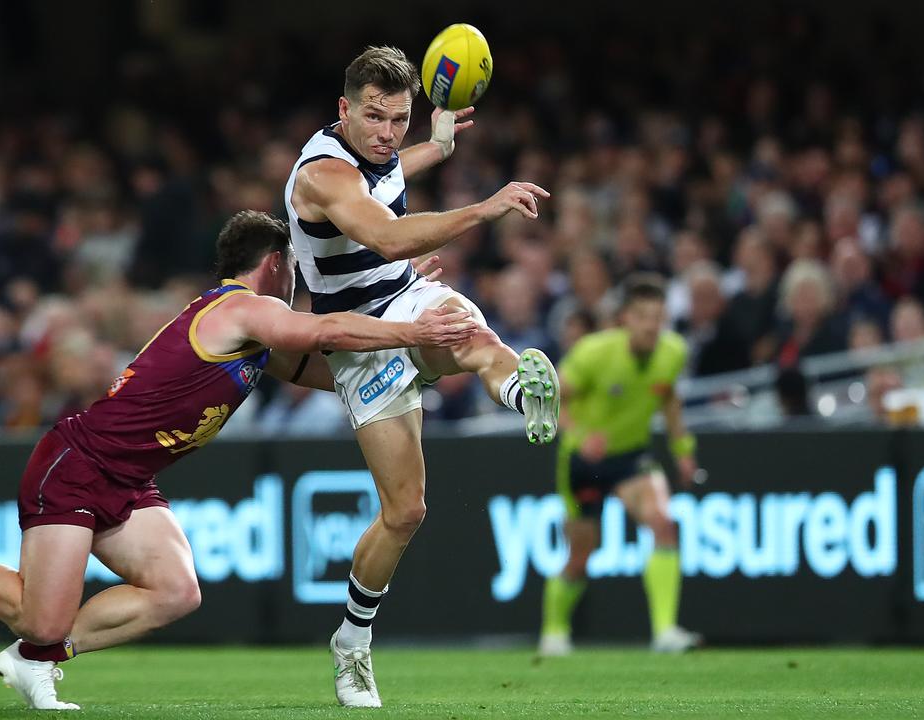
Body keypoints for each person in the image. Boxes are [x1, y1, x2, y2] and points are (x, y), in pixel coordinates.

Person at [0, 211, 476, 710]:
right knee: (40, 619)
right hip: (77, 464)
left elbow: (338, 371)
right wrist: (412, 331)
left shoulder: (251, 331)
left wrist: (396, 307)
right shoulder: (241, 309)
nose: (296, 280)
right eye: (292, 267)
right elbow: (324, 333)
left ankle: (37, 663)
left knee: (176, 592)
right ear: (274, 263)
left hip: (129, 477)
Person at [284, 46, 558, 708]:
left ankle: (523, 391)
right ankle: (352, 641)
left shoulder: (377, 150)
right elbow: (388, 236)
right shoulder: (323, 174)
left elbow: (387, 172)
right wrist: (484, 209)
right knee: (406, 511)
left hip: (407, 297)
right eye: (374, 118)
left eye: (399, 119)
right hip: (359, 338)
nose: (386, 133)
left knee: (470, 331)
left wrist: (433, 147)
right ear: (344, 109)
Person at [539, 274, 703, 656]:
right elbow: (551, 402)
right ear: (625, 318)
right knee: (582, 554)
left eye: (658, 316)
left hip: (632, 457)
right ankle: (554, 631)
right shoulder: (593, 353)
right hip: (583, 461)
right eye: (643, 315)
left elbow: (669, 399)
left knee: (662, 522)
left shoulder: (673, 352)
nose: (651, 325)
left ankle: (665, 633)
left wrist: (683, 448)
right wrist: (581, 435)